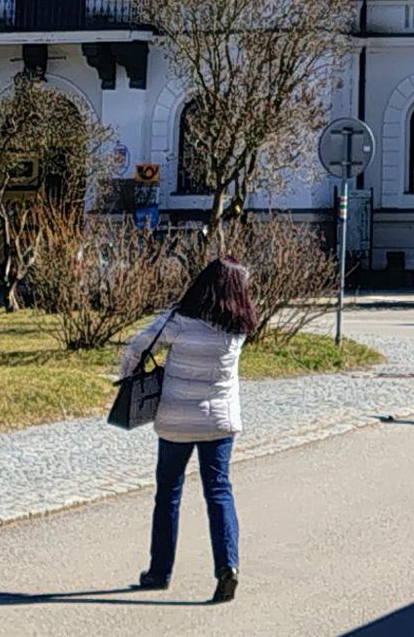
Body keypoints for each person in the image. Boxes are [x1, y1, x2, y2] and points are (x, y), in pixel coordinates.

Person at [124, 256, 254, 599]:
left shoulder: (178, 321)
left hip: (176, 420)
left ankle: (159, 571)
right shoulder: (238, 329)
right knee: (219, 491)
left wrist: (128, 377)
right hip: (219, 423)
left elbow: (138, 344)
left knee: (168, 493)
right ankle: (228, 566)